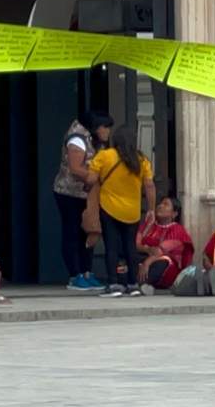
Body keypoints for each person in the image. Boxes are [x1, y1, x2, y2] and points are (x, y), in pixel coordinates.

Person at [87, 125, 155, 298]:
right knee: (130, 247)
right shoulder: (142, 160)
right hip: (132, 211)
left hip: (109, 208)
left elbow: (91, 179)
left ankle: (113, 283)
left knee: (112, 246)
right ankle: (133, 284)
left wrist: (90, 176)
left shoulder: (105, 156)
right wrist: (151, 208)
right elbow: (149, 185)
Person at [53, 111, 114, 291]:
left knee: (88, 230)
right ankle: (75, 275)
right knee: (72, 231)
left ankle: (87, 272)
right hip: (69, 193)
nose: (108, 132)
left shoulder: (96, 142)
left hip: (87, 194)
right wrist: (93, 177)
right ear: (97, 127)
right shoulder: (77, 139)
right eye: (106, 128)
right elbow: (75, 168)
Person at [135, 197, 194, 296]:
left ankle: (140, 283)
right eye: (160, 203)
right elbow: (136, 244)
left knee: (163, 261)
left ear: (174, 214)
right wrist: (147, 249)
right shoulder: (149, 224)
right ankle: (140, 284)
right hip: (144, 259)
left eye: (166, 204)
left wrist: (147, 262)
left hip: (164, 266)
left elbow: (160, 251)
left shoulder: (178, 230)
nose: (160, 206)